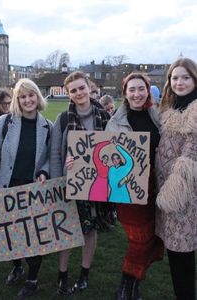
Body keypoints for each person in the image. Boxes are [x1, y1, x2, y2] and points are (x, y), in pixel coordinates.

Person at [0, 78, 52, 299]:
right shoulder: (4, 123)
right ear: (17, 100)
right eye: (22, 96)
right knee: (10, 235)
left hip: (32, 190)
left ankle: (32, 279)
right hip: (6, 187)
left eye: (31, 95)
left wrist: (44, 172)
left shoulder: (48, 126)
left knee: (34, 238)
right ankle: (17, 266)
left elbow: (49, 157)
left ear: (37, 97)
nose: (27, 100)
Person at [50, 71, 111, 295]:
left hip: (96, 184)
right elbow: (55, 152)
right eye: (73, 90)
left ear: (89, 87)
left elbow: (112, 149)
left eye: (81, 88)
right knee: (66, 230)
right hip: (70, 183)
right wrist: (59, 180)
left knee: (89, 230)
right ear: (68, 94)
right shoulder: (63, 119)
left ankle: (84, 274)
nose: (78, 93)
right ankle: (62, 275)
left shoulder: (105, 116)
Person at [106, 72, 164, 300]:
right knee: (139, 239)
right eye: (132, 90)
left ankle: (132, 286)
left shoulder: (158, 116)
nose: (137, 93)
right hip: (128, 189)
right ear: (125, 93)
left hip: (157, 186)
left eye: (141, 89)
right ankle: (125, 286)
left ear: (148, 91)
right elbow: (106, 160)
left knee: (151, 238)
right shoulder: (115, 122)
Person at [155, 57, 197, 300]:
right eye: (175, 77)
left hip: (181, 199)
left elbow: (189, 158)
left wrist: (168, 198)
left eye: (185, 77)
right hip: (166, 192)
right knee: (176, 256)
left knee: (182, 256)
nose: (179, 82)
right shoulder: (171, 110)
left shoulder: (194, 112)